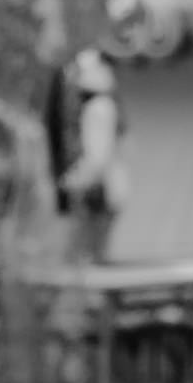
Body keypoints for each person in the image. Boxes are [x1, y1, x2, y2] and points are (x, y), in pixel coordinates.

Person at [55, 46, 127, 265]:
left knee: (88, 254)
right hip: (103, 188)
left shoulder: (98, 109)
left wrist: (76, 180)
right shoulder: (105, 107)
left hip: (99, 190)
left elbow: (98, 157)